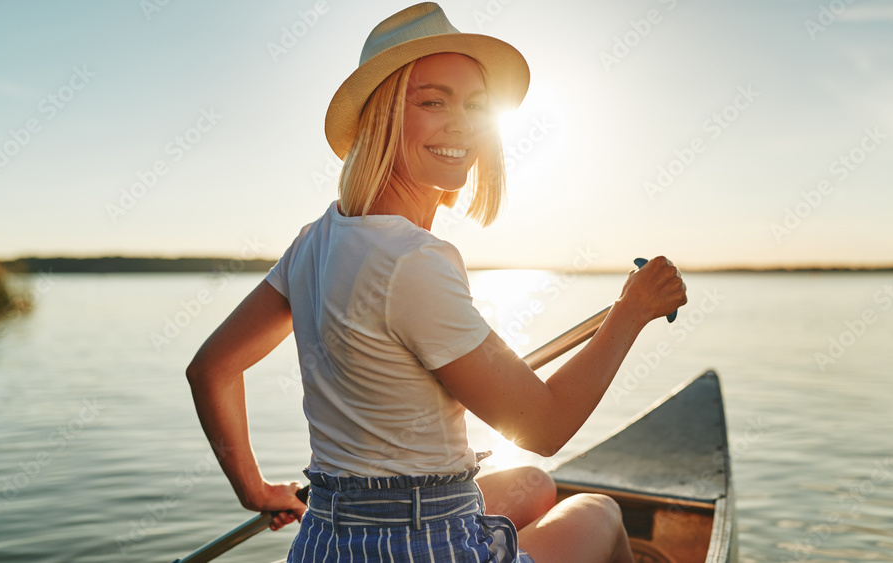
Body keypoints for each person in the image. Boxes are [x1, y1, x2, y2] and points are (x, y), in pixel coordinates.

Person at [186, 3, 687, 562]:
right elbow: (544, 426)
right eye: (432, 101)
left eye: (475, 105)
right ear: (381, 117)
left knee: (537, 485)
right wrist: (632, 310)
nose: (462, 123)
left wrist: (254, 490)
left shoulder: (315, 239)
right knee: (599, 513)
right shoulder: (413, 260)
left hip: (329, 536)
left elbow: (211, 369)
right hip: (423, 547)